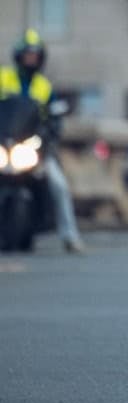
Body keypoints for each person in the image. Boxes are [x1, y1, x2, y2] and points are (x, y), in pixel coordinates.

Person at [0, 29, 84, 253]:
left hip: (32, 146)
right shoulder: (3, 77)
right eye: (28, 55)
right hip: (4, 142)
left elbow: (54, 116)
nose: (31, 59)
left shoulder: (43, 86)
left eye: (35, 56)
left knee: (59, 185)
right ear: (19, 56)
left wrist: (53, 130)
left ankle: (70, 237)